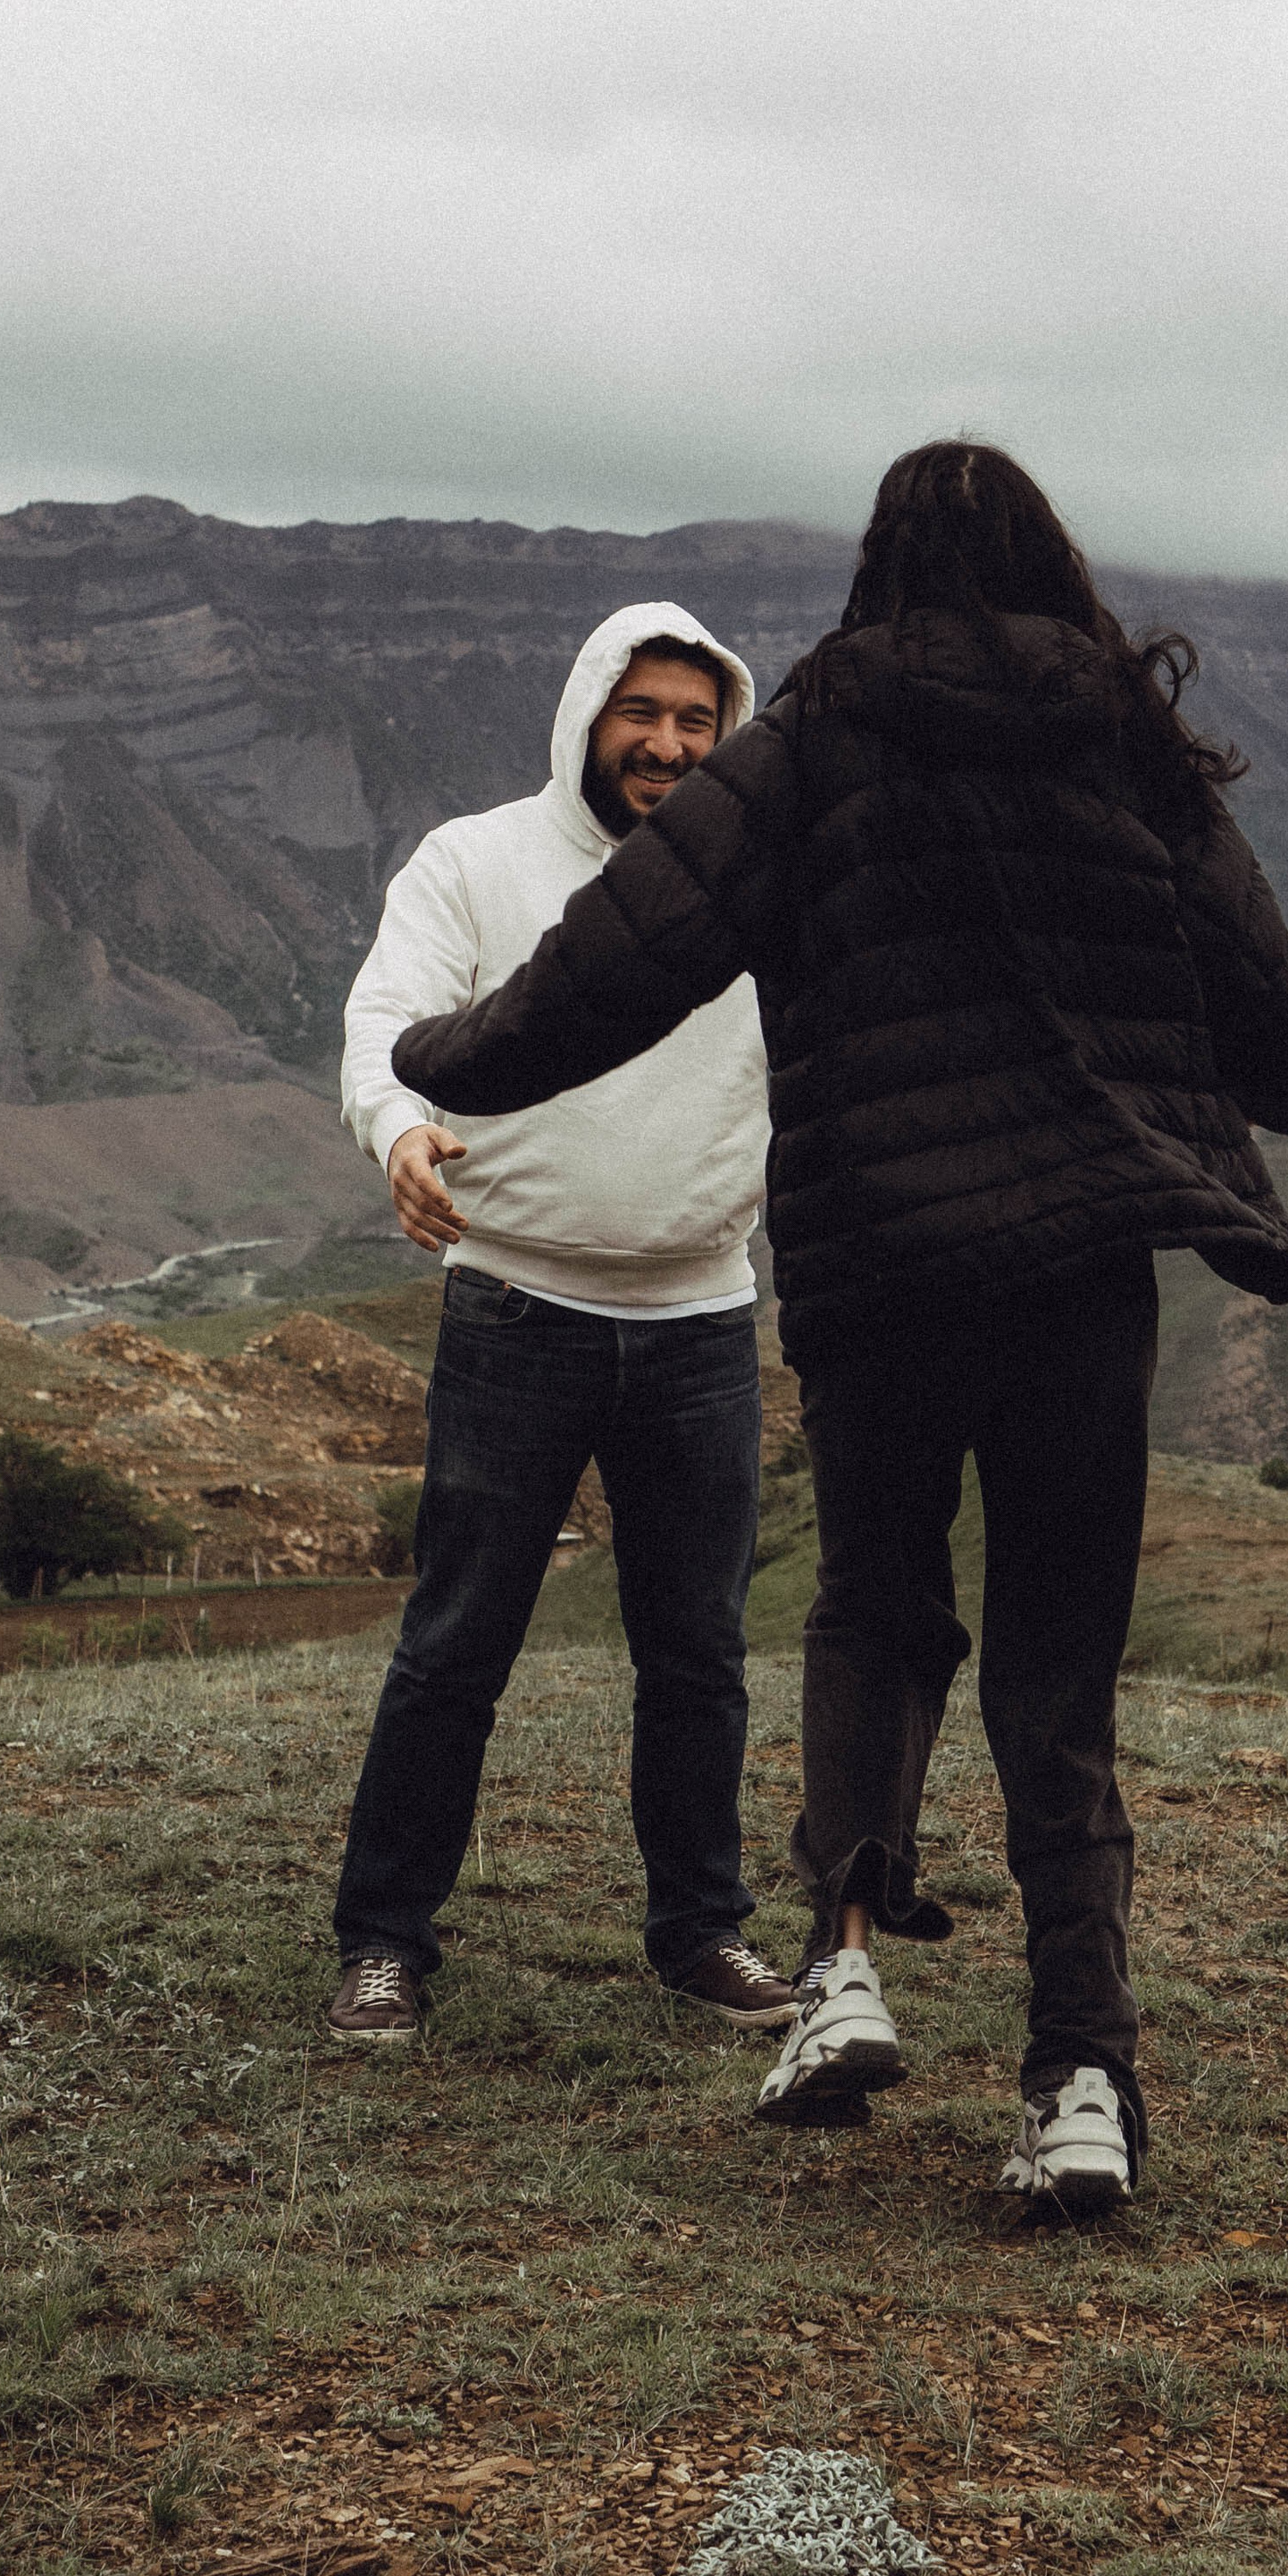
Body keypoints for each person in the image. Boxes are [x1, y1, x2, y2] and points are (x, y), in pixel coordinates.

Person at [389, 449, 1288, 2213]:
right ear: (1048, 561)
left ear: (874, 566)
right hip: (1078, 1278)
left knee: (873, 1613)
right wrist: (1229, 1078)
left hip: (883, 1269)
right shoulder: (1121, 744)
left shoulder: (809, 744)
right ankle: (1079, 2080)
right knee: (1057, 1673)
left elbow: (612, 967)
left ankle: (835, 1977)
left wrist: (437, 1056)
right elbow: (1276, 1022)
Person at [328, 603, 799, 2045]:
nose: (665, 743)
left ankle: (701, 1934)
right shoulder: (476, 863)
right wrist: (400, 1134)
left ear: (728, 736)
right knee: (457, 1640)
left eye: (695, 722)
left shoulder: (765, 879)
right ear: (588, 712)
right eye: (639, 712)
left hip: (705, 1321)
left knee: (698, 1651)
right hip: (516, 1308)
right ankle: (386, 1943)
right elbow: (384, 1023)